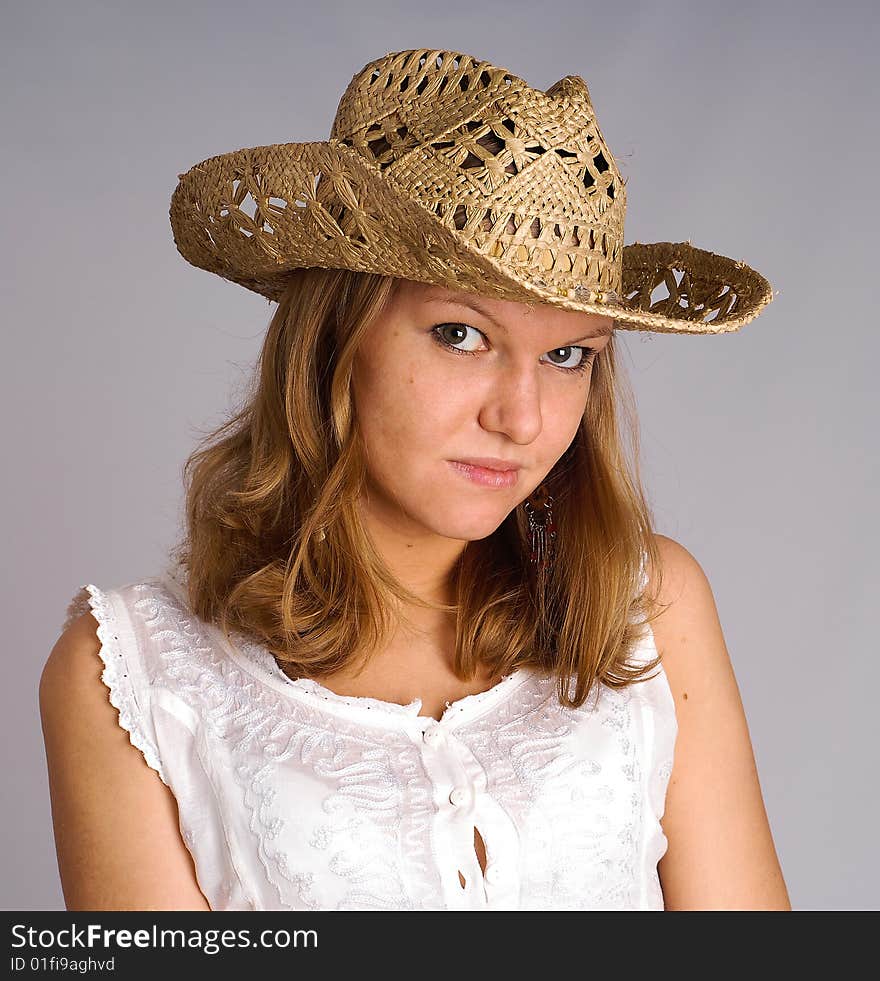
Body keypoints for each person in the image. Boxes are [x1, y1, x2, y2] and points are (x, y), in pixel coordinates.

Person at [39, 47, 791, 911]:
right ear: (333, 337)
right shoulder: (133, 677)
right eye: (461, 335)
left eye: (568, 354)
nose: (523, 417)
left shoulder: (645, 607)